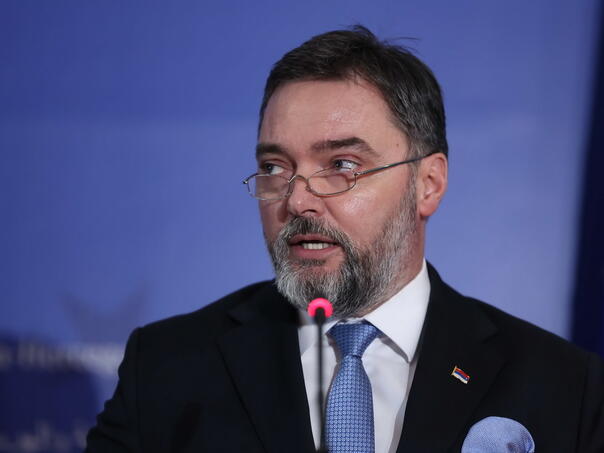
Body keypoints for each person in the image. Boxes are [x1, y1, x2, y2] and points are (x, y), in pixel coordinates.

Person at [86, 26, 604, 453]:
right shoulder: (168, 368)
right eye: (275, 166)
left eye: (342, 165)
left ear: (428, 183)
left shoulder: (562, 385)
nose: (298, 200)